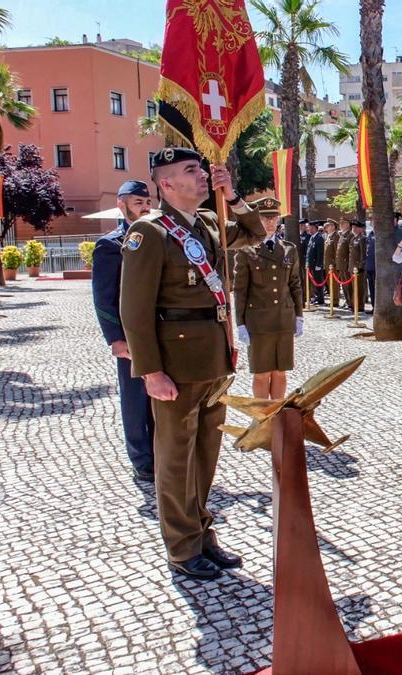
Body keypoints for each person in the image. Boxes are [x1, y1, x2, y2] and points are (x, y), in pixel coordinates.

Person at [119, 147, 265, 580]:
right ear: (165, 184)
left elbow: (255, 231)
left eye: (201, 170)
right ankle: (182, 548)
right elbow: (134, 309)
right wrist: (150, 371)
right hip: (176, 365)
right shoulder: (150, 233)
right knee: (176, 459)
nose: (202, 175)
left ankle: (202, 535)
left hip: (213, 360)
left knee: (205, 455)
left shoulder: (207, 224)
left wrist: (233, 196)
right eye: (190, 171)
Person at [92, 180, 157, 482]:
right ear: (122, 204)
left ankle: (163, 452)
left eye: (146, 202)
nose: (144, 207)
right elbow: (103, 297)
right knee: (135, 399)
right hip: (130, 336)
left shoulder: (158, 236)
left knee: (162, 397)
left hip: (162, 331)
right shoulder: (111, 244)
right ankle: (142, 460)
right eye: (137, 202)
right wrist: (115, 338)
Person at [232, 197, 304, 401]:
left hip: (283, 318)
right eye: (264, 217)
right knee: (262, 374)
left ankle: (278, 414)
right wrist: (240, 324)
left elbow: (295, 285)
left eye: (273, 217)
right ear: (257, 219)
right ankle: (263, 419)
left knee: (280, 372)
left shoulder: (288, 249)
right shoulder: (246, 250)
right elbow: (240, 290)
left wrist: (299, 316)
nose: (270, 222)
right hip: (259, 322)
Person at [347, 220, 368, 312]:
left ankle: (360, 306)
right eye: (353, 227)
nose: (354, 229)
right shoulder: (353, 238)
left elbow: (363, 254)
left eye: (356, 227)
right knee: (353, 287)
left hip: (358, 268)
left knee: (359, 287)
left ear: (361, 229)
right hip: (352, 266)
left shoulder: (362, 239)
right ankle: (353, 304)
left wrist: (361, 266)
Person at [305, 220, 326, 306]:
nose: (308, 228)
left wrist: (319, 264)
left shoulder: (319, 238)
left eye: (309, 227)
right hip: (311, 264)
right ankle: (316, 297)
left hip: (316, 265)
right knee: (314, 282)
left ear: (314, 227)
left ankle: (320, 298)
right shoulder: (312, 237)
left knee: (318, 281)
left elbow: (320, 253)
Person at [334, 219, 353, 308]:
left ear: (348, 225)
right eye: (340, 223)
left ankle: (351, 302)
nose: (341, 225)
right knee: (344, 284)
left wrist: (349, 263)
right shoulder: (342, 235)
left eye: (343, 223)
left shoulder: (350, 235)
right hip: (341, 264)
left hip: (346, 264)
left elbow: (350, 251)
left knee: (348, 285)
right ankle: (347, 300)